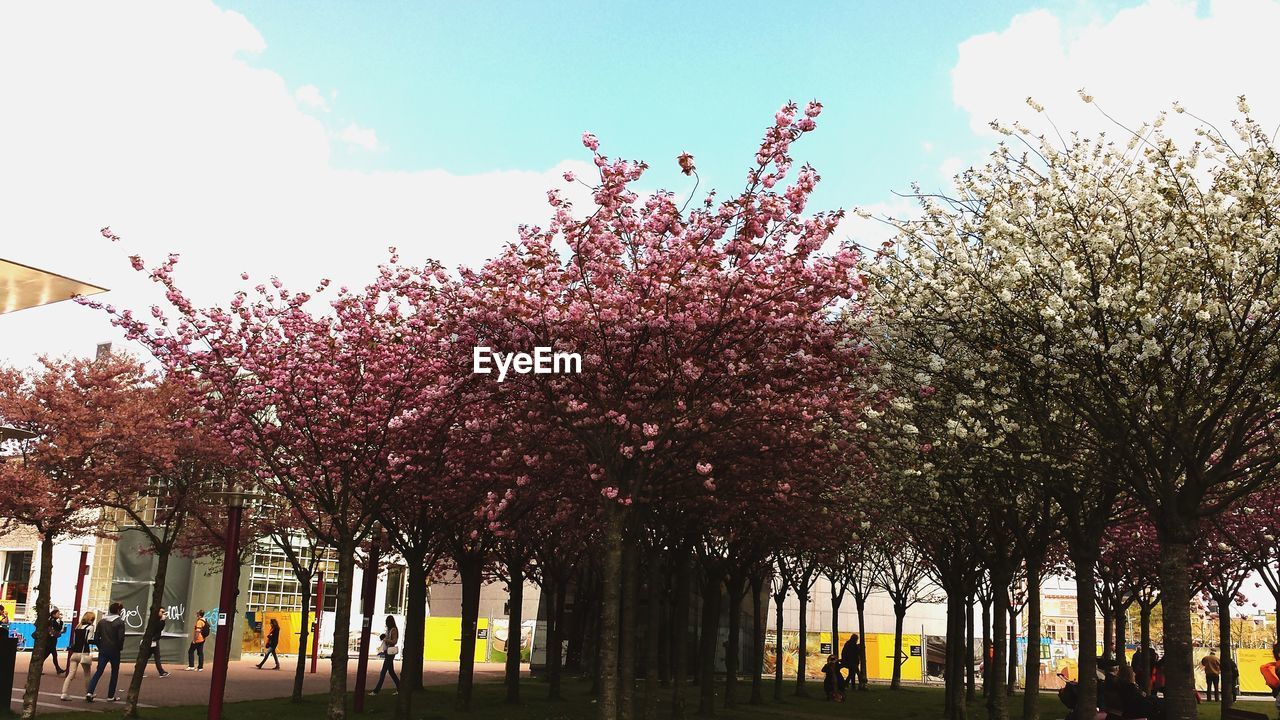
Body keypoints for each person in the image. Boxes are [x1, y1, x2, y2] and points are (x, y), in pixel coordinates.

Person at [86, 602, 126, 702]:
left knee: (99, 671)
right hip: (115, 651)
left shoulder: (102, 622)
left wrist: (100, 646)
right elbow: (121, 638)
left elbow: (96, 638)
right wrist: (119, 648)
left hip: (103, 650)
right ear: (118, 611)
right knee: (114, 672)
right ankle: (110, 696)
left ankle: (90, 691)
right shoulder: (120, 622)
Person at [61, 611, 95, 701]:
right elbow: (89, 640)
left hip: (75, 653)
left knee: (71, 674)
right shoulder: (90, 627)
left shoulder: (77, 627)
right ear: (91, 619)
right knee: (87, 674)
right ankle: (88, 693)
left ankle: (64, 693)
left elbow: (75, 641)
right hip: (84, 653)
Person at [370, 616, 400, 695]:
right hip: (388, 652)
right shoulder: (389, 630)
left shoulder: (393, 630)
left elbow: (394, 641)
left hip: (390, 652)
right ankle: (400, 688)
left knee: (383, 672)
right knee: (391, 672)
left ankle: (376, 690)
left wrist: (386, 640)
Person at [36, 607, 66, 675]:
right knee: (51, 655)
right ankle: (57, 669)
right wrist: (61, 622)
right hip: (51, 641)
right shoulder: (53, 621)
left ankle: (57, 669)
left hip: (50, 641)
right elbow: (58, 628)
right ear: (54, 614)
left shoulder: (51, 620)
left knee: (49, 655)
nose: (59, 615)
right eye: (58, 613)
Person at [146, 607, 170, 677]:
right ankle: (161, 672)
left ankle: (161, 672)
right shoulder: (153, 619)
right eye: (162, 612)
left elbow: (160, 628)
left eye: (163, 612)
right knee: (153, 656)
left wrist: (163, 620)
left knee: (149, 656)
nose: (163, 614)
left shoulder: (159, 619)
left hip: (154, 640)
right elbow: (157, 628)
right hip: (152, 640)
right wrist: (162, 620)